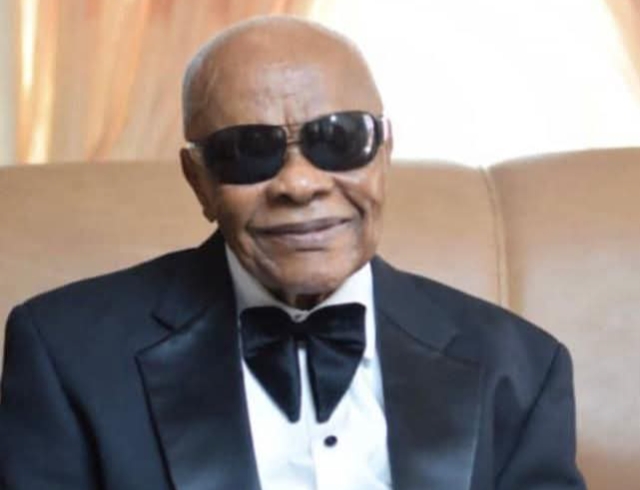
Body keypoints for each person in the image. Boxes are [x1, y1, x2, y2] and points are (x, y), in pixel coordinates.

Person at [0, 16, 586, 490]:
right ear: (199, 181)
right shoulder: (66, 356)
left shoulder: (521, 369)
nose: (300, 185)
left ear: (383, 154)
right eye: (247, 151)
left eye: (339, 139)